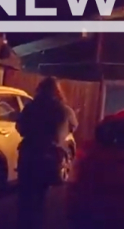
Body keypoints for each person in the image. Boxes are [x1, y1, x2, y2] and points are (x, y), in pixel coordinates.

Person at [15, 77, 78, 229]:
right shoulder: (64, 110)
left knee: (26, 196)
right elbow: (74, 126)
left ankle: (24, 224)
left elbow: (20, 127)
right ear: (57, 91)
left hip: (29, 153)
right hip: (50, 155)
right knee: (41, 195)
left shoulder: (31, 107)